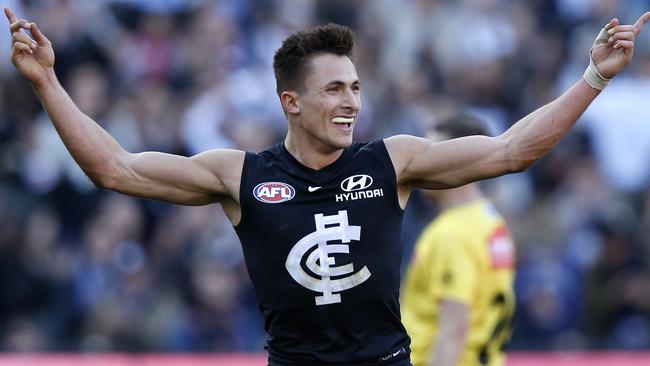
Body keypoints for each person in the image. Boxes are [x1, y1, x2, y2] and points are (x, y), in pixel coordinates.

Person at [4, 5, 650, 365]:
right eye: (334, 89)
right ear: (291, 101)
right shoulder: (240, 175)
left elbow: (512, 151)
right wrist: (47, 85)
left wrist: (592, 77)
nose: (350, 102)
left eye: (356, 88)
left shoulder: (391, 163)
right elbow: (113, 167)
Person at [400, 114, 516, 366]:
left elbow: (453, 331)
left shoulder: (451, 234)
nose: (421, 164)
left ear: (461, 160)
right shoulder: (492, 223)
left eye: (433, 154)